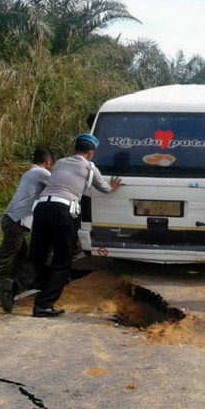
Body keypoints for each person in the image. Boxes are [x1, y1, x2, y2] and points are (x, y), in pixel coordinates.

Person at [29, 134, 121, 317]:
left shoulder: (61, 162)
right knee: (62, 261)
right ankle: (43, 305)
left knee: (38, 254)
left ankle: (15, 285)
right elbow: (104, 188)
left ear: (74, 150)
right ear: (90, 153)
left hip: (41, 208)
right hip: (62, 211)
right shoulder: (89, 167)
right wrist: (113, 187)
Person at [0, 146, 54, 311]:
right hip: (16, 222)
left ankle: (11, 289)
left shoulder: (30, 173)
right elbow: (60, 184)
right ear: (48, 161)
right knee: (1, 259)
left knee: (22, 254)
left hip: (10, 219)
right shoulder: (41, 173)